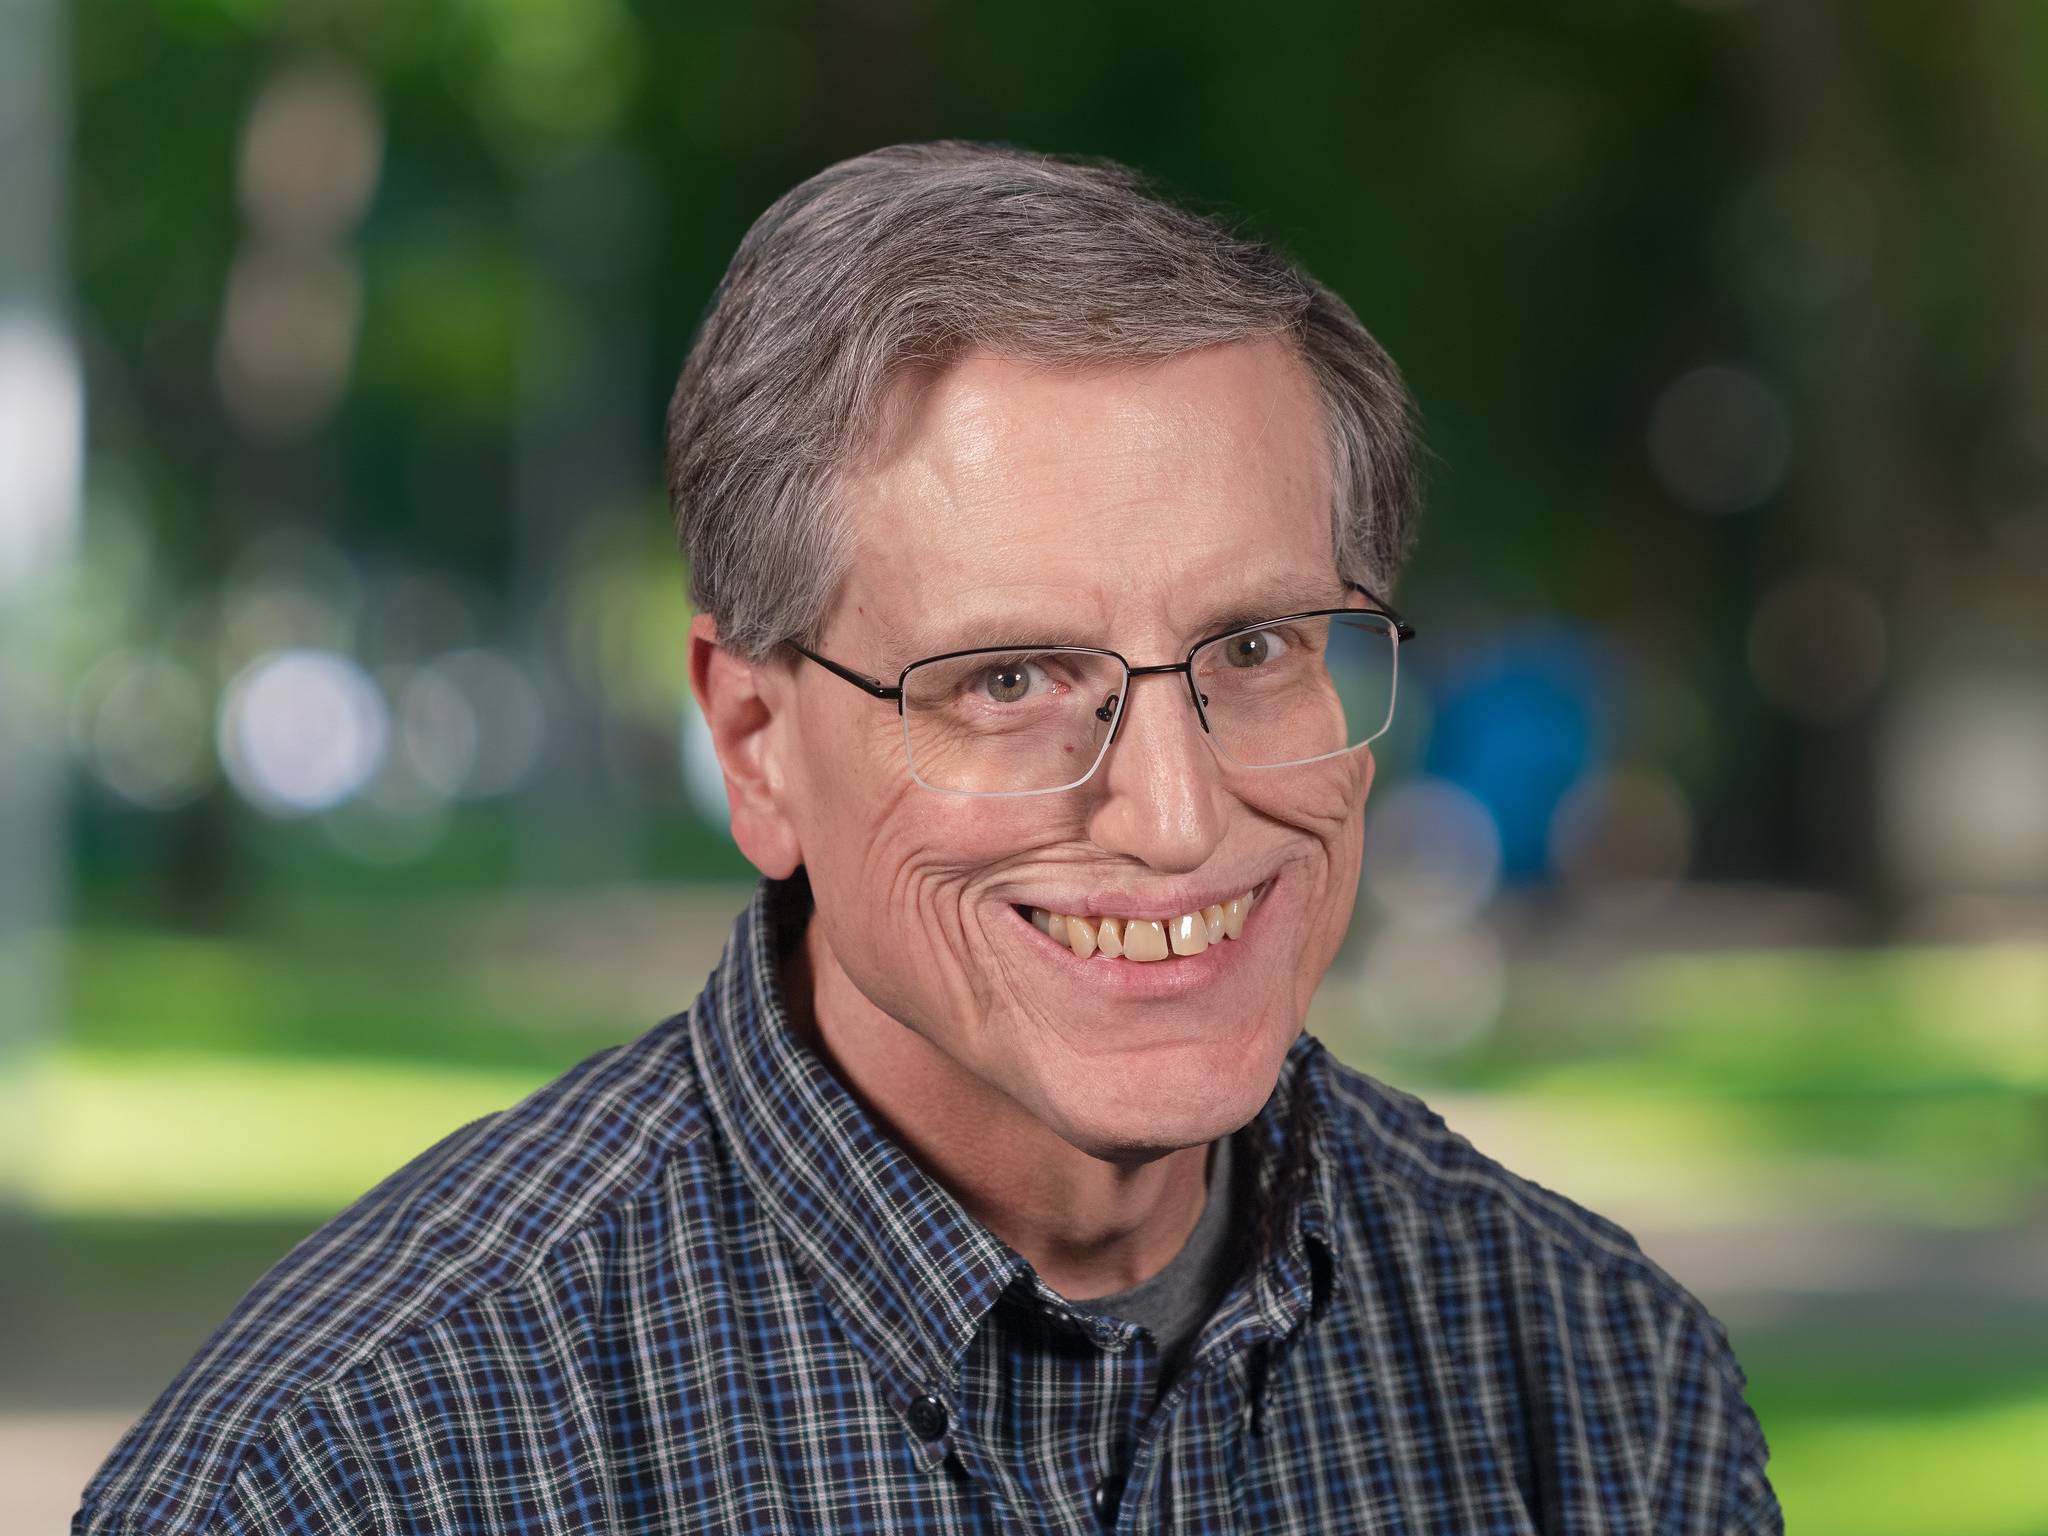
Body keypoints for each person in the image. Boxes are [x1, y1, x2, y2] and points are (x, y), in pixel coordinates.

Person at [76, 141, 1782, 1534]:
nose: (1177, 816)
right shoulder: (346, 1474)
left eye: (1258, 648)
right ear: (755, 747)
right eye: (1011, 679)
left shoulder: (1602, 1380)